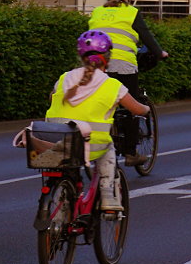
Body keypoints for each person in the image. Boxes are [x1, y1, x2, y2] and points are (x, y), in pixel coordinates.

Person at [45, 30, 150, 210]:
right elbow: (136, 109)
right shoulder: (111, 85)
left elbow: (52, 97)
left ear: (81, 56)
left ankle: (60, 203)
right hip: (90, 144)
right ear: (108, 58)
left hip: (53, 140)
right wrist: (146, 109)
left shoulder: (64, 78)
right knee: (108, 149)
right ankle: (108, 196)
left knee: (66, 166)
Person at [88, 0, 167, 166]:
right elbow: (147, 36)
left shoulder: (97, 12)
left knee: (102, 103)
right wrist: (160, 53)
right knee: (131, 105)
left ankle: (98, 142)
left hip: (98, 65)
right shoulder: (131, 13)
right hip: (123, 65)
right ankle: (131, 153)